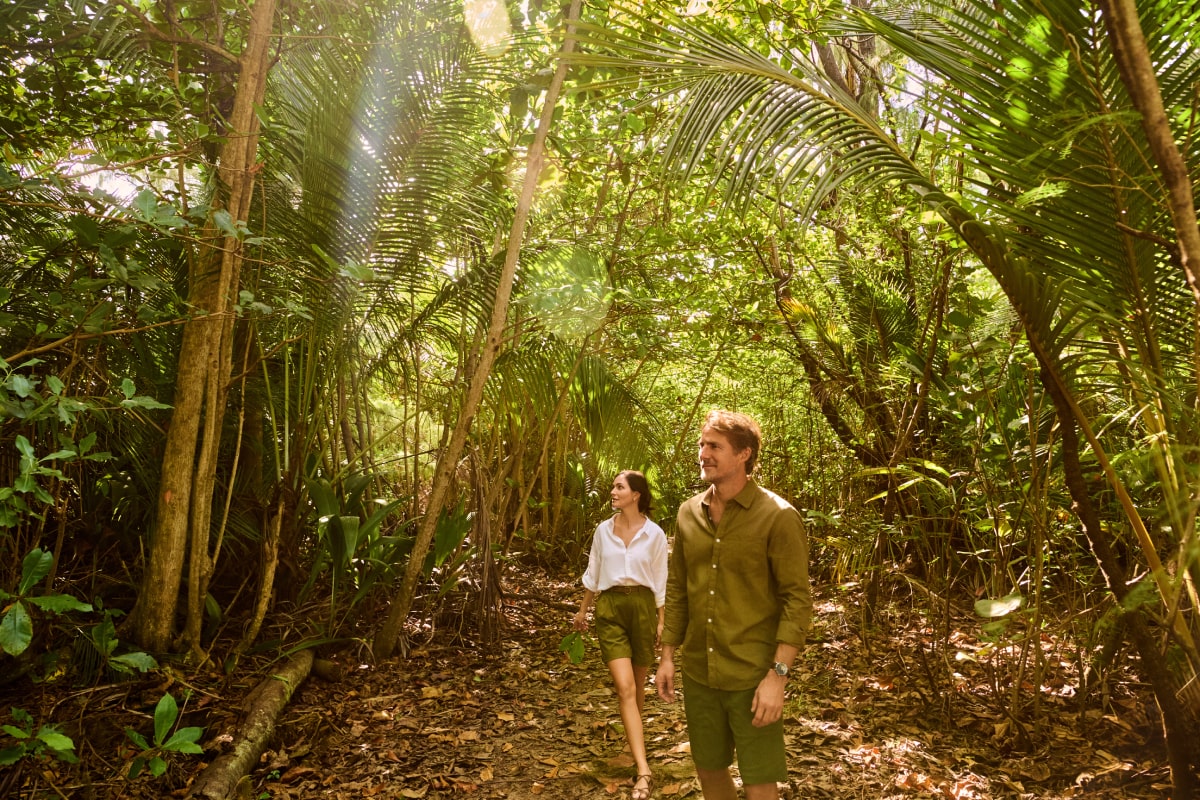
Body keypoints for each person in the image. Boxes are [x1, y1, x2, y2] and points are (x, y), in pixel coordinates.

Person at [655, 410, 812, 800]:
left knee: (759, 782)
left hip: (752, 675)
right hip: (699, 672)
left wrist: (777, 677)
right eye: (701, 444)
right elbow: (678, 588)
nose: (703, 453)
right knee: (709, 770)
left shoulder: (778, 516)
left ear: (744, 454)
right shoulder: (688, 513)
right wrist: (667, 656)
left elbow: (797, 601)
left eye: (714, 446)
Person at [574, 470, 668, 800]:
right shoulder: (603, 530)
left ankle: (632, 749)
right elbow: (594, 571)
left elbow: (660, 580)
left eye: (619, 487)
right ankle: (644, 771)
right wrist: (583, 610)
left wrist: (661, 621)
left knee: (637, 687)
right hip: (610, 608)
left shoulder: (655, 534)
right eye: (614, 487)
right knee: (625, 687)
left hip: (642, 606)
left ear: (636, 494)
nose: (613, 492)